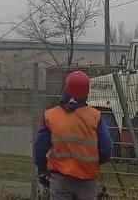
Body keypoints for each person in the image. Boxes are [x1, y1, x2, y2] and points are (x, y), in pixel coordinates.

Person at [33, 71, 112, 200]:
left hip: (60, 179)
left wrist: (43, 168)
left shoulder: (51, 116)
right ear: (86, 92)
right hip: (87, 180)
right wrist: (94, 164)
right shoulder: (96, 117)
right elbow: (106, 149)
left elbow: (39, 148)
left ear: (65, 88)